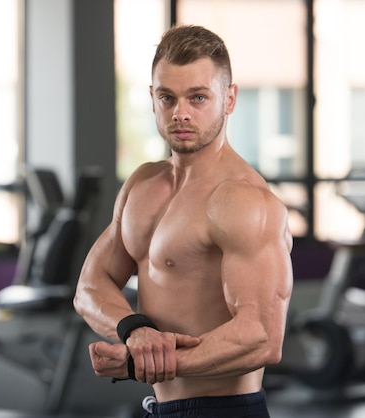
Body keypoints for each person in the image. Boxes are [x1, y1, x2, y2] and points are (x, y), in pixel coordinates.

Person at [73, 24, 293, 418]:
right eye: (167, 98)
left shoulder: (243, 200)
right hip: (161, 406)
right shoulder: (143, 185)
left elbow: (262, 337)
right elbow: (90, 285)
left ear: (229, 99)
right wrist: (135, 329)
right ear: (153, 99)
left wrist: (145, 362)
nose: (181, 113)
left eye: (198, 97)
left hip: (225, 410)